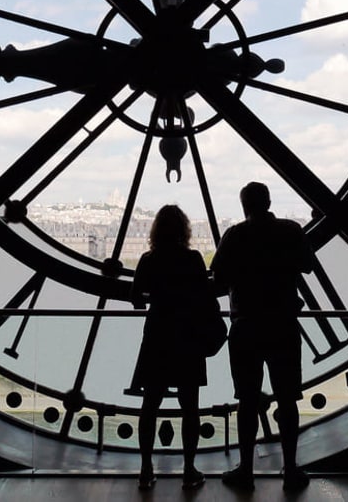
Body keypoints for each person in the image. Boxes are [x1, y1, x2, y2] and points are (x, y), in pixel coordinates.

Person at [210, 182, 313, 491]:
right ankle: (291, 468)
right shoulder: (291, 231)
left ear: (244, 206)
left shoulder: (235, 235)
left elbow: (219, 278)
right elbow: (307, 265)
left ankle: (247, 470)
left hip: (246, 325)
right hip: (282, 323)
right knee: (287, 398)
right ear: (269, 202)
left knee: (247, 399)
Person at [129, 204, 210, 491]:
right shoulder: (193, 259)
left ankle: (146, 468)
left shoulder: (148, 260)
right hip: (187, 337)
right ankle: (188, 468)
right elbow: (204, 295)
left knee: (149, 405)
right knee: (190, 408)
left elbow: (137, 297)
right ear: (184, 230)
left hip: (157, 336)